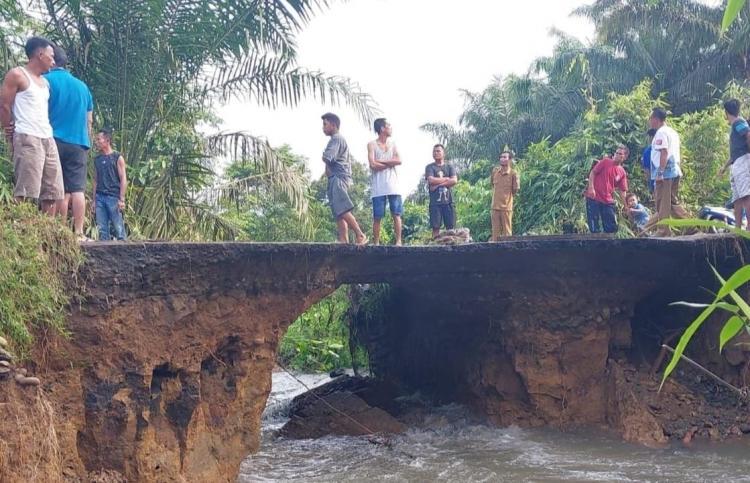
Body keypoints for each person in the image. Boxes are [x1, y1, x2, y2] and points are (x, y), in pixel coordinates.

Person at [0, 37, 63, 214]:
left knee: (52, 192)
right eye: (51, 56)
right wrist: (8, 131)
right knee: (26, 191)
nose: (53, 61)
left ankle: (47, 234)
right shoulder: (17, 74)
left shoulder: (45, 82)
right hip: (27, 135)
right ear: (40, 55)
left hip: (47, 137)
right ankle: (19, 230)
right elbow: (4, 105)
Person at [45, 45, 94, 240]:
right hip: (79, 142)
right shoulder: (82, 86)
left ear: (52, 60)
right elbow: (89, 119)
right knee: (77, 189)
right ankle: (79, 232)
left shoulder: (45, 81)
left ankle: (59, 231)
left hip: (54, 140)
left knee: (57, 188)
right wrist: (85, 140)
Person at [321, 112, 367, 245]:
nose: (323, 128)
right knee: (338, 211)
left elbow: (328, 157)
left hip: (339, 177)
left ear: (333, 125)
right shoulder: (335, 139)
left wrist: (323, 155)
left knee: (342, 208)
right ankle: (343, 239)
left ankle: (360, 234)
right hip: (334, 178)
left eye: (325, 124)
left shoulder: (336, 139)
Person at [644, 108, 689, 236]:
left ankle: (663, 231)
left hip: (665, 173)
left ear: (656, 119)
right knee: (672, 204)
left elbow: (664, 152)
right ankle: (692, 227)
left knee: (662, 203)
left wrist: (660, 172)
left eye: (650, 118)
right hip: (674, 170)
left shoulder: (661, 133)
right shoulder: (672, 132)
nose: (649, 121)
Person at [367, 118, 403, 245]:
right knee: (377, 216)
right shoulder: (372, 144)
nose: (390, 128)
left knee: (396, 213)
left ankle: (398, 241)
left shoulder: (393, 144)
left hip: (393, 185)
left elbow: (399, 161)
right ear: (382, 128)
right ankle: (376, 242)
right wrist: (390, 163)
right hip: (378, 186)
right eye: (388, 125)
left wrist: (381, 161)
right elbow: (372, 164)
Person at [720, 99, 750, 230]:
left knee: (746, 195)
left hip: (743, 161)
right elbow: (733, 154)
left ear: (726, 113)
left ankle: (749, 227)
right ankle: (738, 228)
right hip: (736, 162)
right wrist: (724, 167)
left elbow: (748, 134)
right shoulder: (735, 126)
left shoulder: (738, 122)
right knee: (737, 198)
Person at [585, 145, 629, 233]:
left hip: (607, 200)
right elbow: (593, 173)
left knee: (611, 228)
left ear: (625, 157)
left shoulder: (622, 172)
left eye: (620, 154)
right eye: (616, 153)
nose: (617, 155)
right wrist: (591, 188)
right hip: (594, 197)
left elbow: (622, 191)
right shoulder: (605, 162)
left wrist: (626, 206)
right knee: (594, 227)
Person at [92, 129, 127, 240]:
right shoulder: (97, 159)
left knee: (119, 229)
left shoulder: (117, 157)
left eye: (99, 139)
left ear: (107, 140)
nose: (97, 142)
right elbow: (95, 180)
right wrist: (94, 200)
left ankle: (125, 253)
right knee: (102, 230)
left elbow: (123, 178)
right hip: (100, 197)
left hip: (113, 197)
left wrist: (121, 199)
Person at [425, 144, 457, 238]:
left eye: (438, 151)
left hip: (448, 202)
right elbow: (431, 180)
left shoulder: (449, 166)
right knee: (435, 228)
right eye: (434, 151)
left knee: (451, 228)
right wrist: (447, 179)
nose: (436, 153)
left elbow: (454, 180)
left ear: (444, 153)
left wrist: (438, 185)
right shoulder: (430, 167)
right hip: (435, 203)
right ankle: (434, 248)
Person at [490, 149, 520, 240]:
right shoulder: (495, 172)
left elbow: (515, 190)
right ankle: (495, 252)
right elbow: (492, 184)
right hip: (495, 207)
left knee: (507, 232)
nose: (502, 159)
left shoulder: (513, 174)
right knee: (495, 233)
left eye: (504, 157)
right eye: (501, 157)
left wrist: (507, 200)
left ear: (510, 160)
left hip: (506, 208)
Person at [641, 128, 656, 194]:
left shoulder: (648, 151)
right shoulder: (648, 152)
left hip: (656, 179)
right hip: (657, 180)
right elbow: (647, 169)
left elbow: (646, 170)